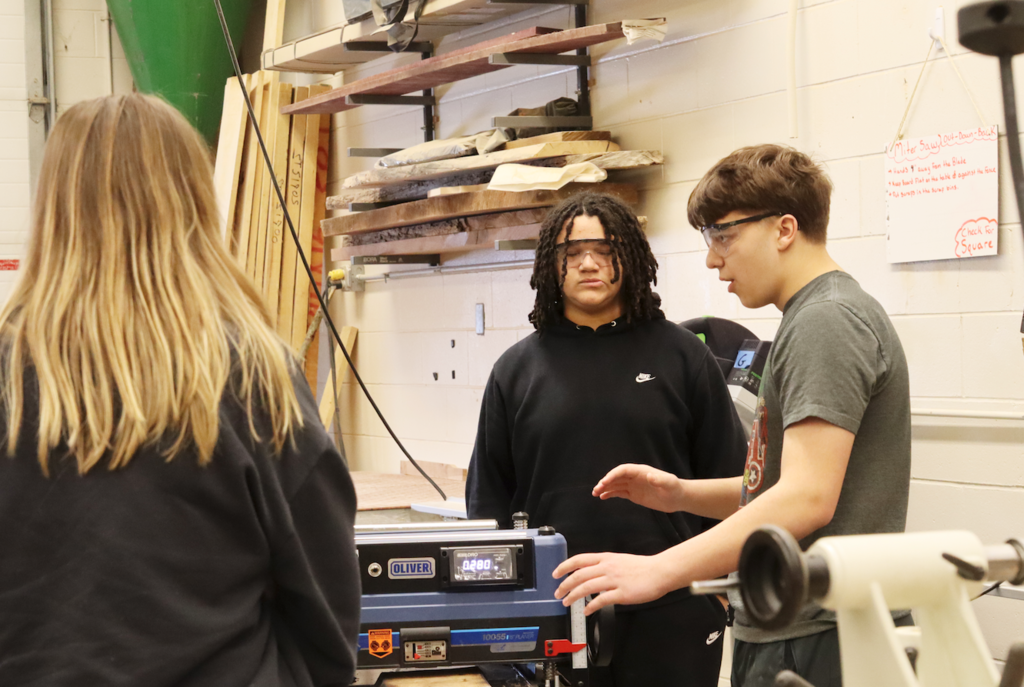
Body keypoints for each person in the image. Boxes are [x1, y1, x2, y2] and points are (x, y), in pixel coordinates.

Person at [0, 94, 360, 687]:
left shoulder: (11, 376)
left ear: (54, 204)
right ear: (193, 201)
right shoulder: (252, 376)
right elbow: (324, 598)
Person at [552, 145, 912, 687]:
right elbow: (781, 485)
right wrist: (680, 494)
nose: (712, 258)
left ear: (784, 229)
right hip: (805, 628)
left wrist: (659, 570)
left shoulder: (826, 321)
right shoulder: (813, 316)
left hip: (822, 635)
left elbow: (808, 499)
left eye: (723, 234)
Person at [466, 192, 748, 687]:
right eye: (571, 253)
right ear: (552, 267)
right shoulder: (516, 371)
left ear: (631, 256)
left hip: (672, 610)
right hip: (555, 610)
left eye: (605, 248)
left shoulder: (684, 358)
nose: (589, 263)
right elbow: (488, 503)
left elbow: (736, 487)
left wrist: (716, 591)